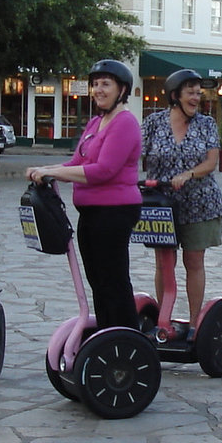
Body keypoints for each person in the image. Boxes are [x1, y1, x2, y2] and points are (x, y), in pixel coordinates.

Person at [26, 59, 141, 329]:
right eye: (95, 84)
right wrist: (45, 169)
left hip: (114, 212)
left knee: (113, 280)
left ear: (121, 90)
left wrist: (52, 173)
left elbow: (104, 170)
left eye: (106, 84)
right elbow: (75, 164)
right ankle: (106, 333)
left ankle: (125, 337)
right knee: (97, 281)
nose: (98, 90)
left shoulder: (125, 123)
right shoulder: (95, 124)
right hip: (90, 213)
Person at [142, 68, 222, 327]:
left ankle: (193, 323)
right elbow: (135, 153)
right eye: (190, 92)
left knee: (194, 260)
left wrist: (188, 174)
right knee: (164, 261)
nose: (196, 97)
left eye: (198, 93)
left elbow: (212, 162)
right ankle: (164, 319)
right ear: (175, 94)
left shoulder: (206, 124)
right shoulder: (154, 122)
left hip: (199, 202)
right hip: (161, 204)